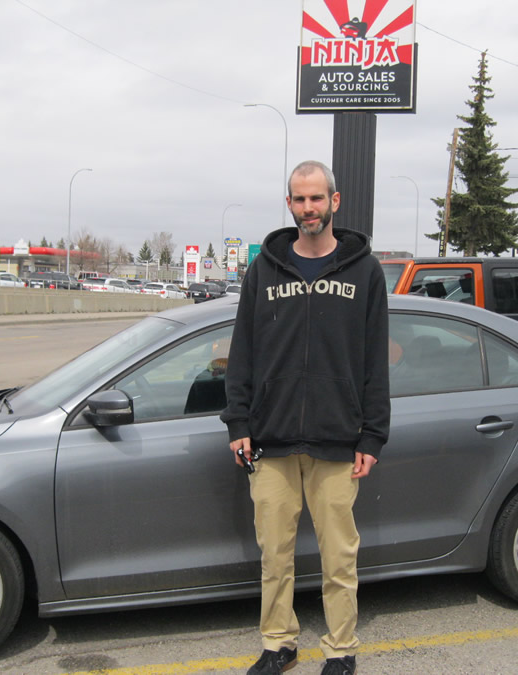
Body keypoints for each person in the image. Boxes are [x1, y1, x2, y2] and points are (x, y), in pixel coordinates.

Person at [221, 160, 390, 675]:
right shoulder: (264, 270)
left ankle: (341, 649)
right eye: (299, 199)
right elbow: (243, 351)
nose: (308, 208)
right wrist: (238, 423)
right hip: (270, 440)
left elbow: (374, 360)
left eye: (317, 198)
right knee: (275, 556)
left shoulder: (364, 271)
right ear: (289, 204)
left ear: (334, 201)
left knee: (339, 558)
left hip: (337, 440)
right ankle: (279, 644)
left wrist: (372, 436)